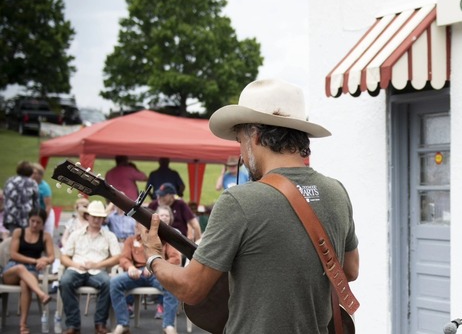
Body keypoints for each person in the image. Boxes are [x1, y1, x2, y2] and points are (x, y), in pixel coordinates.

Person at [142, 78, 359, 333]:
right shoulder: (337, 191)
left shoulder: (239, 201)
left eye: (239, 141)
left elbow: (191, 289)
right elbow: (351, 270)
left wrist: (154, 257)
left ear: (253, 136)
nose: (242, 155)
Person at [110, 205, 180, 334]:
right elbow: (123, 258)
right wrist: (130, 267)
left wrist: (156, 266)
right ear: (136, 225)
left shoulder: (163, 239)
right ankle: (123, 323)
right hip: (136, 273)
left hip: (157, 274)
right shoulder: (131, 240)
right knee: (115, 282)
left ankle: (168, 325)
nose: (140, 225)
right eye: (138, 222)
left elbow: (175, 259)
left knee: (172, 285)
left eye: (142, 222)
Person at [60, 200, 121, 334]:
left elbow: (117, 257)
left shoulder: (109, 236)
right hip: (77, 268)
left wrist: (98, 264)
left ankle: (100, 323)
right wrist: (75, 264)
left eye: (100, 217)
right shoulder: (76, 234)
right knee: (65, 282)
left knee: (108, 282)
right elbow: (64, 256)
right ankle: (73, 324)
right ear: (87, 216)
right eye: (94, 216)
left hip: (98, 270)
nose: (97, 220)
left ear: (103, 218)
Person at [1, 208, 55, 334]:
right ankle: (41, 294)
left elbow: (52, 256)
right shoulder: (19, 232)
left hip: (31, 272)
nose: (35, 225)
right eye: (32, 221)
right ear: (28, 220)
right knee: (21, 268)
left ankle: (23, 325)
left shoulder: (45, 236)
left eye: (38, 222)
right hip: (13, 269)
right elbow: (14, 254)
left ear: (43, 223)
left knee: (25, 283)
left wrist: (44, 260)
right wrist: (35, 261)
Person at [3, 161, 39, 234]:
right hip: (26, 217)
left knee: (13, 240)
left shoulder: (10, 181)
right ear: (30, 172)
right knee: (25, 240)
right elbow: (36, 203)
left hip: (12, 217)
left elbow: (6, 198)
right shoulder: (32, 183)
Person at [30, 163, 55, 237]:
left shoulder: (44, 187)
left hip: (45, 213)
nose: (32, 175)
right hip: (34, 214)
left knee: (46, 234)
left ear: (40, 175)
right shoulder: (29, 184)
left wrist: (43, 220)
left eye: (35, 173)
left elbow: (48, 206)